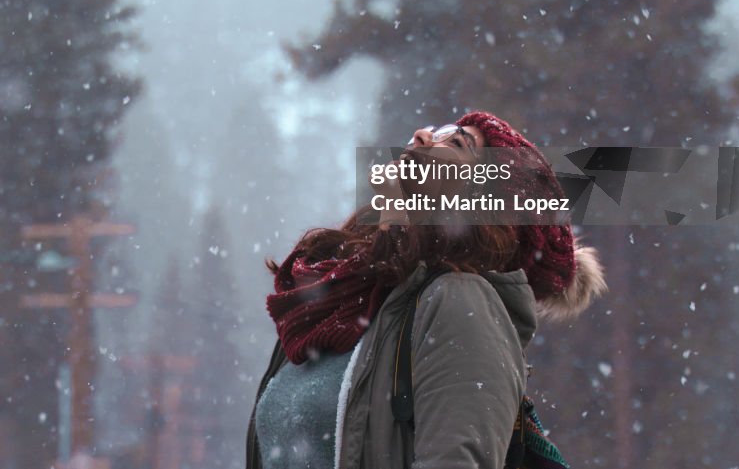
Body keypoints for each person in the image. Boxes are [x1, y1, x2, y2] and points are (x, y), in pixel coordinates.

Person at [245, 110, 606, 469]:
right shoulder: (332, 306)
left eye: (457, 143)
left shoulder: (459, 303)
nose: (421, 136)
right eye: (439, 131)